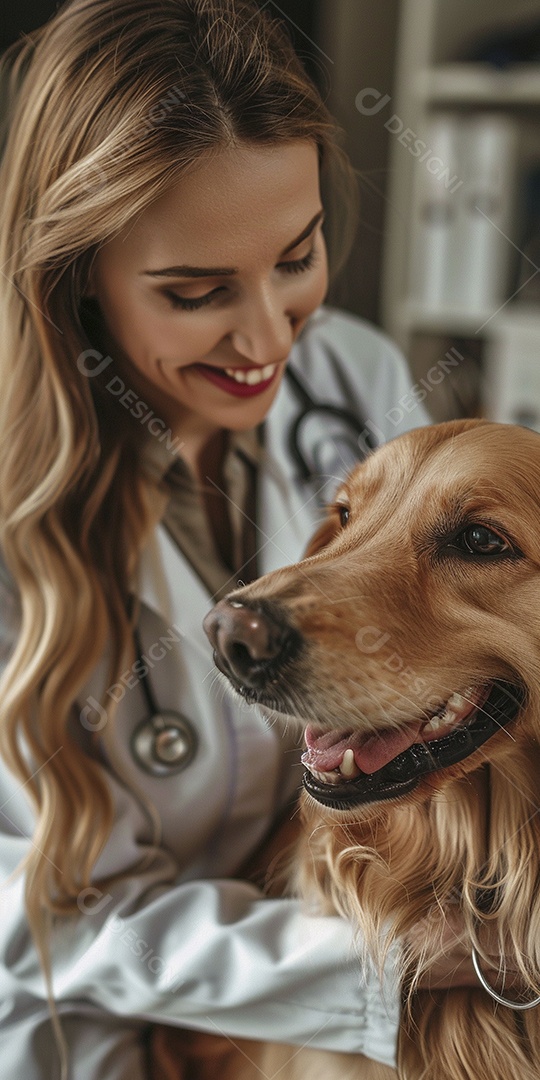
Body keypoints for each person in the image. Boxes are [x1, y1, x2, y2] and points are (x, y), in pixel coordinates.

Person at [0, 2, 500, 1078]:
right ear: (76, 270)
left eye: (297, 256)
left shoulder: (352, 378)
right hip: (86, 1040)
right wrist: (415, 957)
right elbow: (55, 920)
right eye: (196, 293)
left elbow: (417, 685)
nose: (269, 337)